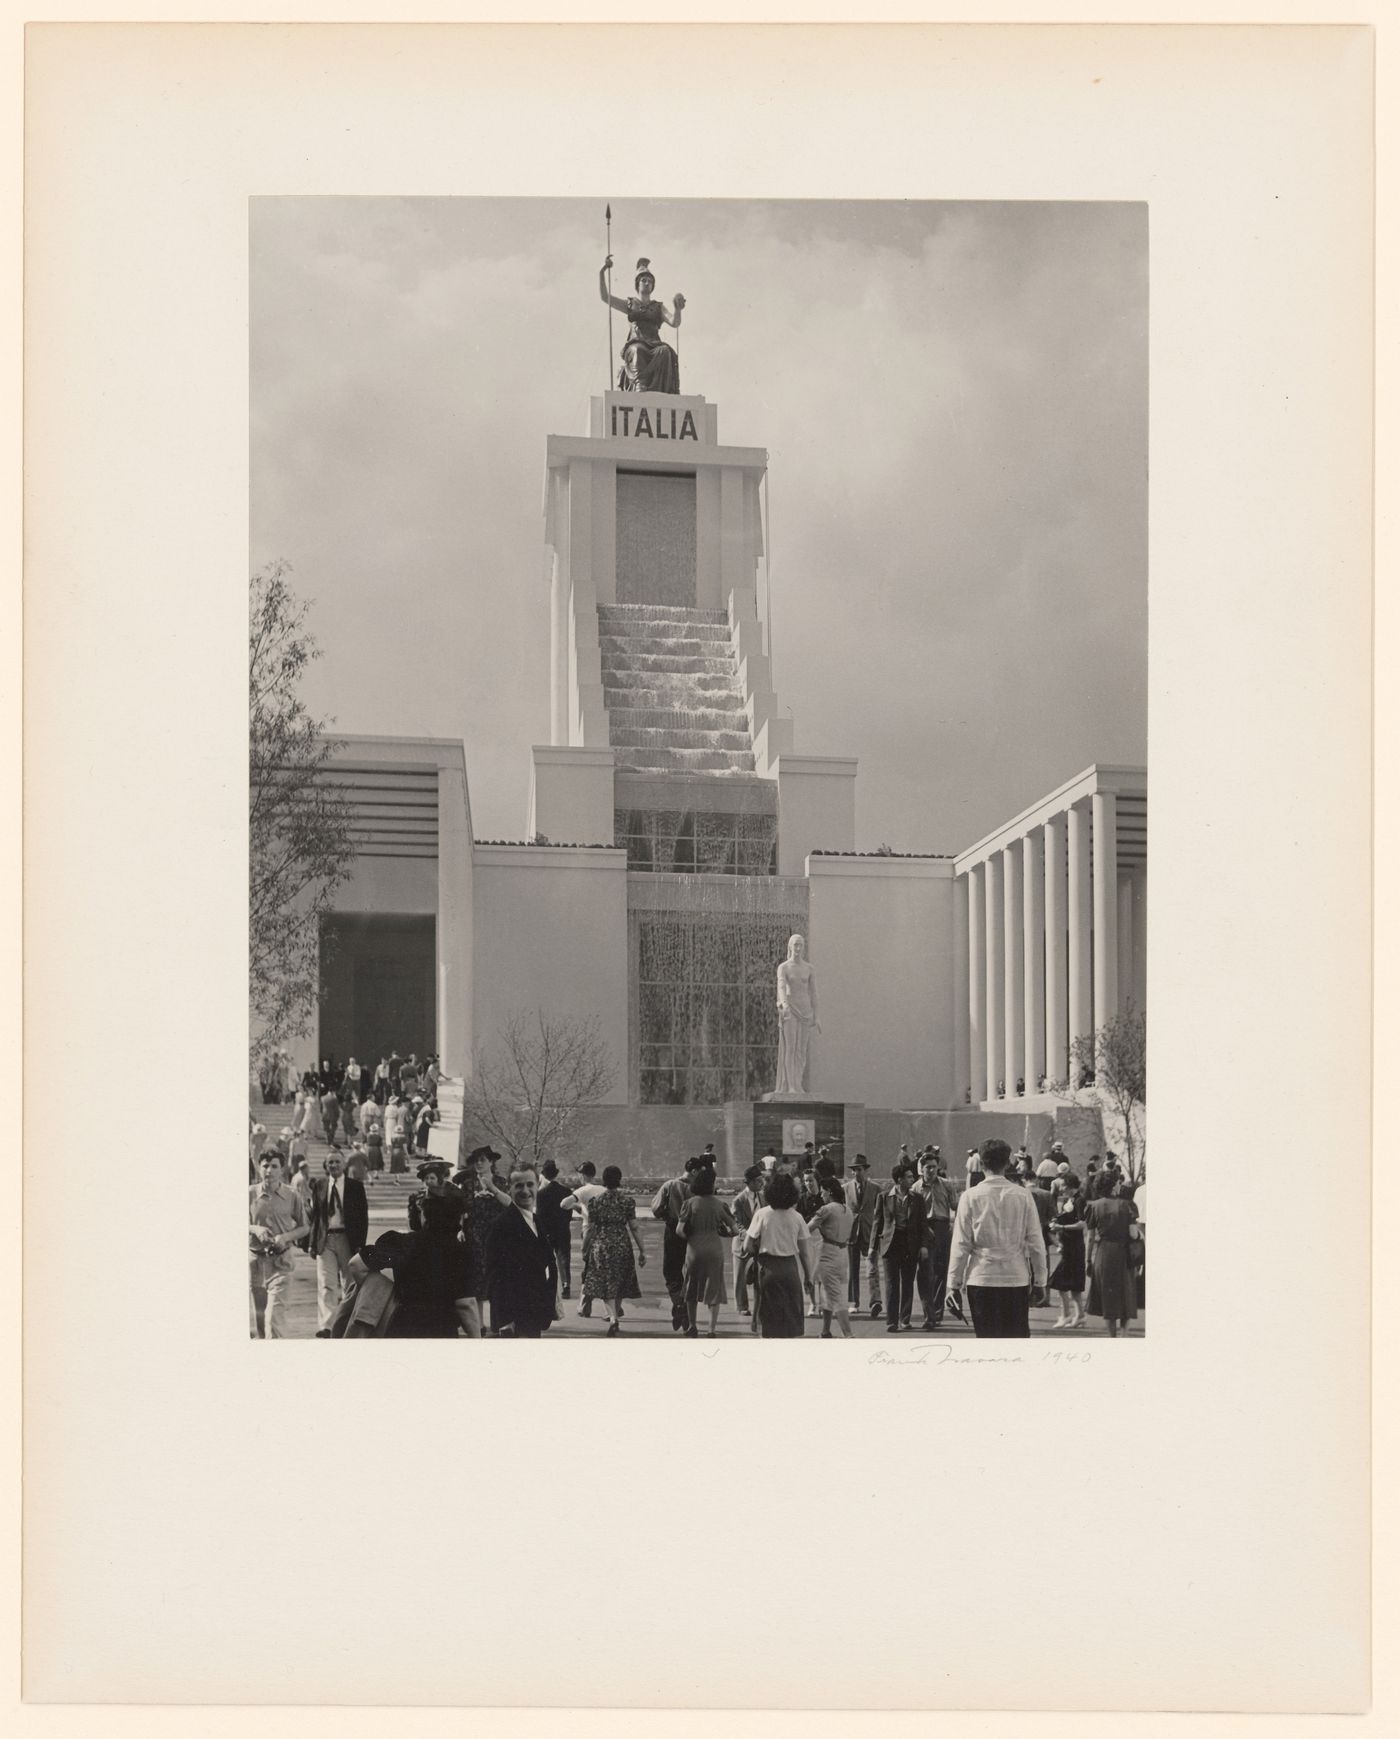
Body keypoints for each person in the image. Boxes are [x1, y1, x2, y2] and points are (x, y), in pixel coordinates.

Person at [946, 1139, 1048, 1339]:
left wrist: (953, 1284)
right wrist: (1040, 1281)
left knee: (987, 1344)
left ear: (981, 1164)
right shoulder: (1023, 1195)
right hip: (1015, 1278)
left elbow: (961, 1244)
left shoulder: (970, 1196)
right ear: (1008, 1163)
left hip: (981, 1278)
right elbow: (1036, 1243)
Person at [487, 1162, 559, 1338]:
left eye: (530, 1184)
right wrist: (504, 1321)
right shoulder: (502, 1225)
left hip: (534, 1314)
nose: (526, 1191)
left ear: (538, 1185)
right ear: (509, 1189)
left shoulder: (535, 1220)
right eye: (519, 1186)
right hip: (515, 1319)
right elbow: (494, 1276)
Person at [599, 254, 685, 393]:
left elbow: (674, 322)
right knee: (637, 350)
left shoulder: (658, 307)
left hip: (655, 344)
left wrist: (678, 309)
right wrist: (602, 271)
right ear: (637, 284)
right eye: (644, 280)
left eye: (650, 281)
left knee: (665, 351)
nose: (647, 283)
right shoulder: (630, 304)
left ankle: (660, 391)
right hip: (637, 342)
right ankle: (640, 384)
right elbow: (605, 297)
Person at [743, 1170, 814, 1338]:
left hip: (767, 1268)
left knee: (768, 1319)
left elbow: (747, 1246)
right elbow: (805, 1253)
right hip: (790, 1269)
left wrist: (759, 1249)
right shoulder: (797, 1217)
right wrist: (808, 1277)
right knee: (789, 1320)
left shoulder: (762, 1214)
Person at [579, 1165, 646, 1334]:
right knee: (620, 1281)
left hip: (601, 1245)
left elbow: (591, 1228)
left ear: (604, 1180)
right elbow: (634, 1227)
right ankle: (615, 1314)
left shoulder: (596, 1202)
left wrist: (585, 1248)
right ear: (619, 1180)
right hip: (622, 1245)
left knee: (605, 1282)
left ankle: (613, 1318)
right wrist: (642, 1250)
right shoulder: (626, 1201)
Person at [308, 1150, 369, 1336]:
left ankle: (346, 1323)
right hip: (325, 1239)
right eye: (330, 1163)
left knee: (349, 1283)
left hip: (347, 1239)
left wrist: (360, 1244)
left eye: (337, 1162)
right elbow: (316, 1217)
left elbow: (362, 1217)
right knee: (326, 1283)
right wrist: (312, 1242)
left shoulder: (355, 1187)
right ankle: (327, 1326)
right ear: (326, 1166)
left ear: (344, 1165)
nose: (333, 1165)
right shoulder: (319, 1185)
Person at [249, 1149, 308, 1338]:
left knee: (273, 1319)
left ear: (282, 1170)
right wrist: (254, 1229)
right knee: (260, 1319)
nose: (269, 1170)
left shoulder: (292, 1195)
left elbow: (304, 1227)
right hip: (256, 1263)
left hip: (281, 1263)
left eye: (274, 1166)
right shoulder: (249, 1194)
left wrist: (285, 1237)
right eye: (265, 1166)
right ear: (259, 1168)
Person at [677, 1167, 738, 1338]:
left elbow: (679, 1231)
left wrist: (691, 1237)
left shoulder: (689, 1204)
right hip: (714, 1250)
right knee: (714, 1289)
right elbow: (734, 1230)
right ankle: (711, 1329)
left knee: (691, 1288)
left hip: (694, 1250)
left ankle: (692, 1326)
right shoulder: (720, 1205)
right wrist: (722, 1232)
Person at [457, 1146, 512, 1333]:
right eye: (476, 1160)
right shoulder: (468, 1184)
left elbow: (509, 1205)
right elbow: (461, 1210)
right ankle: (479, 1324)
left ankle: (498, 1323)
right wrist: (460, 1228)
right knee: (477, 1282)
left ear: (491, 1162)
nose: (479, 1163)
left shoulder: (501, 1182)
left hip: (496, 1237)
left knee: (496, 1280)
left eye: (482, 1160)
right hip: (474, 1236)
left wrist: (492, 1188)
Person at [870, 1162, 927, 1332]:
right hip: (890, 1244)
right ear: (899, 1179)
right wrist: (872, 1247)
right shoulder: (884, 1197)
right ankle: (892, 1321)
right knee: (891, 1284)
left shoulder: (917, 1199)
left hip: (910, 1244)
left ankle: (905, 1319)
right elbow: (877, 1222)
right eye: (909, 1177)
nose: (912, 1179)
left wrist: (923, 1246)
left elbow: (922, 1224)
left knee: (908, 1283)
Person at [1085, 1180, 1140, 1336]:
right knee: (1125, 1293)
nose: (1119, 1185)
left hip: (1104, 1253)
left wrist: (1088, 1260)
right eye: (1117, 1183)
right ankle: (1124, 1334)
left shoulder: (1093, 1206)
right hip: (1123, 1253)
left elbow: (1090, 1238)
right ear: (1113, 1187)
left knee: (1108, 1296)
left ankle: (1112, 1336)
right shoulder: (1128, 1205)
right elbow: (1133, 1234)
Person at [651, 1157, 698, 1332]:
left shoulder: (669, 1185)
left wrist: (667, 1215)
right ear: (694, 1171)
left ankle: (679, 1304)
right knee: (690, 1272)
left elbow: (656, 1209)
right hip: (692, 1233)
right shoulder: (696, 1189)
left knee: (671, 1270)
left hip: (672, 1230)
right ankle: (683, 1304)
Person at [913, 1151, 958, 1330]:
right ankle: (929, 1315)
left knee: (941, 1272)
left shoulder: (946, 1185)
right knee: (925, 1273)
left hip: (943, 1229)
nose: (931, 1170)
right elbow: (914, 1214)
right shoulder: (915, 1188)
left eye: (934, 1167)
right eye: (928, 1167)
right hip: (925, 1230)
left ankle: (937, 1313)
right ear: (921, 1169)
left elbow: (956, 1207)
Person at [809, 1175, 855, 1338]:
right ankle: (825, 1330)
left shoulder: (826, 1209)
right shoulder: (847, 1209)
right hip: (843, 1253)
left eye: (822, 1192)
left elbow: (808, 1229)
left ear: (829, 1192)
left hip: (828, 1253)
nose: (821, 1195)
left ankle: (848, 1334)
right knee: (830, 1292)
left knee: (834, 1295)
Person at [775, 934, 820, 1094]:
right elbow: (781, 987)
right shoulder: (784, 967)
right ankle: (791, 1086)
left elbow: (814, 993)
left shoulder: (809, 969)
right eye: (795, 945)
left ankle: (798, 1083)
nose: (798, 948)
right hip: (791, 1010)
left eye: (800, 945)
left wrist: (817, 1015)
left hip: (806, 1011)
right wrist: (785, 1004)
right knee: (791, 1048)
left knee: (801, 1050)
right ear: (790, 947)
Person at [562, 1161, 607, 1315]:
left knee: (589, 1267)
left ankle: (584, 1306)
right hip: (604, 1231)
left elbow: (564, 1204)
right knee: (603, 1266)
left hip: (589, 1230)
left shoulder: (582, 1191)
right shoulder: (603, 1189)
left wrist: (577, 1207)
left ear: (582, 1175)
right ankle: (612, 1307)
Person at [1047, 1174, 1087, 1328]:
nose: (1061, 1188)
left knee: (1059, 1282)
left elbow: (1081, 1224)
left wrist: (1061, 1227)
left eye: (1063, 1185)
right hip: (1069, 1245)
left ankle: (1066, 1315)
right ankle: (1079, 1315)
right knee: (1072, 1284)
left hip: (1074, 1247)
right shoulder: (1070, 1200)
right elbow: (1070, 1218)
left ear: (1070, 1185)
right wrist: (1057, 1221)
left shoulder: (1079, 1200)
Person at [845, 1155, 882, 1318]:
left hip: (869, 1231)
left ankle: (875, 1301)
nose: (856, 1173)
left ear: (865, 1170)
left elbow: (880, 1213)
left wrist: (879, 1231)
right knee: (852, 1269)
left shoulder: (875, 1188)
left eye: (859, 1169)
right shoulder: (845, 1188)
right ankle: (853, 1302)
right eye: (853, 1170)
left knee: (872, 1267)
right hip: (851, 1233)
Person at [728, 1164, 766, 1319]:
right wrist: (749, 1236)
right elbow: (736, 1223)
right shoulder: (739, 1200)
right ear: (749, 1182)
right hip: (742, 1244)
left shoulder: (762, 1197)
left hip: (759, 1243)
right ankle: (742, 1306)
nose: (761, 1183)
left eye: (761, 1180)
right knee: (740, 1277)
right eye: (758, 1181)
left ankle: (760, 1305)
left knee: (760, 1275)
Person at [535, 1159, 576, 1299]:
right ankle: (566, 1285)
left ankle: (547, 1285)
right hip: (563, 1229)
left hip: (547, 1231)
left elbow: (539, 1215)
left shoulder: (540, 1194)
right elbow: (569, 1212)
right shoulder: (566, 1191)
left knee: (546, 1259)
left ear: (544, 1175)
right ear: (556, 1174)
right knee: (564, 1258)